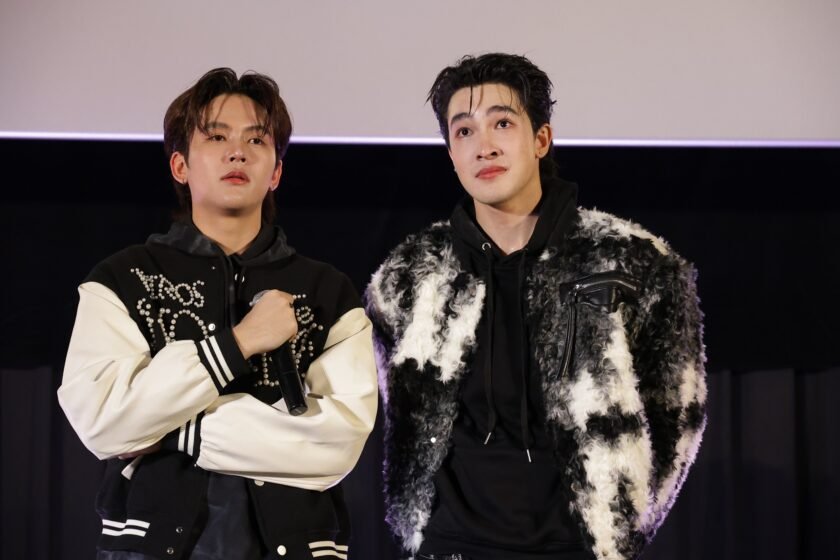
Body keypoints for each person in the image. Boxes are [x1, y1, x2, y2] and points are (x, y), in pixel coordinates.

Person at [365, 53, 706, 560]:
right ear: (451, 154)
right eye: (464, 131)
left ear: (541, 139)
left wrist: (620, 527)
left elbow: (677, 415)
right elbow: (400, 416)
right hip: (449, 546)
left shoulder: (633, 262)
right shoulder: (410, 275)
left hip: (579, 549)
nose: (484, 146)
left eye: (502, 123)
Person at [58, 68, 377, 560]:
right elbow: (101, 420)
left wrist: (170, 430)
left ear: (275, 172)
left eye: (256, 140)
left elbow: (339, 442)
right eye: (216, 137)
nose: (238, 152)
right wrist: (239, 343)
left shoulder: (327, 292)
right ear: (180, 165)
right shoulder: (122, 278)